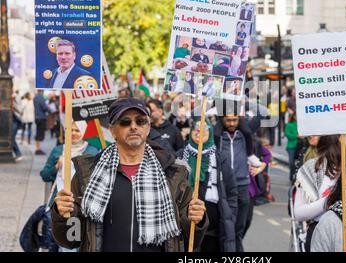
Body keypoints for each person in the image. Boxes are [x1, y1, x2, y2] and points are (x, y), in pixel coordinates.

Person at [51, 97, 208, 251]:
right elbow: (72, 239)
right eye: (125, 122)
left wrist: (196, 220)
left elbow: (189, 242)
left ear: (148, 128)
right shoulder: (87, 174)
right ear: (112, 130)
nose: (134, 126)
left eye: (140, 121)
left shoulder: (173, 174)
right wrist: (63, 214)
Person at [293, 133, 346, 251]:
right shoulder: (312, 168)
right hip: (320, 237)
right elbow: (298, 213)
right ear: (338, 135)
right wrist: (331, 199)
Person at [181, 120, 238, 252]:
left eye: (204, 129)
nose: (199, 132)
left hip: (215, 227)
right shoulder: (181, 157)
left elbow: (232, 191)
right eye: (195, 128)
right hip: (188, 227)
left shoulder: (219, 158)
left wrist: (230, 215)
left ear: (210, 133)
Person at [214, 103, 255, 252]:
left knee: (242, 225)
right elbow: (196, 114)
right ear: (222, 119)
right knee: (225, 225)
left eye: (235, 120)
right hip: (224, 186)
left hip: (243, 186)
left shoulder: (245, 134)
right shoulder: (216, 135)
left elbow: (263, 112)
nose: (231, 123)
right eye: (228, 120)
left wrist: (244, 100)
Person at [40, 121, 98, 213]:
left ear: (83, 132)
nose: (73, 133)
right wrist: (57, 166)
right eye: (70, 130)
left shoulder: (93, 151)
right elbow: (45, 175)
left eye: (77, 130)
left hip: (83, 202)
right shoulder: (58, 150)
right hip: (59, 203)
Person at [34, 90, 49, 155]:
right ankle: (38, 149)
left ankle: (37, 148)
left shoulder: (35, 97)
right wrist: (49, 109)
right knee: (40, 133)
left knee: (38, 132)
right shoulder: (41, 97)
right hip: (41, 117)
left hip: (37, 117)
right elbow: (44, 107)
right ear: (42, 91)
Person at [285, 113, 298, 182]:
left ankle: (297, 177)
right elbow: (288, 134)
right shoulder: (289, 125)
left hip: (301, 146)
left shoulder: (301, 125)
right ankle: (292, 175)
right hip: (291, 146)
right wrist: (297, 136)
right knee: (291, 163)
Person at [12, 90, 23, 161]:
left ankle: (18, 153)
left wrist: (12, 102)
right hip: (9, 120)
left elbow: (20, 110)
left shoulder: (16, 97)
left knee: (11, 137)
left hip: (15, 120)